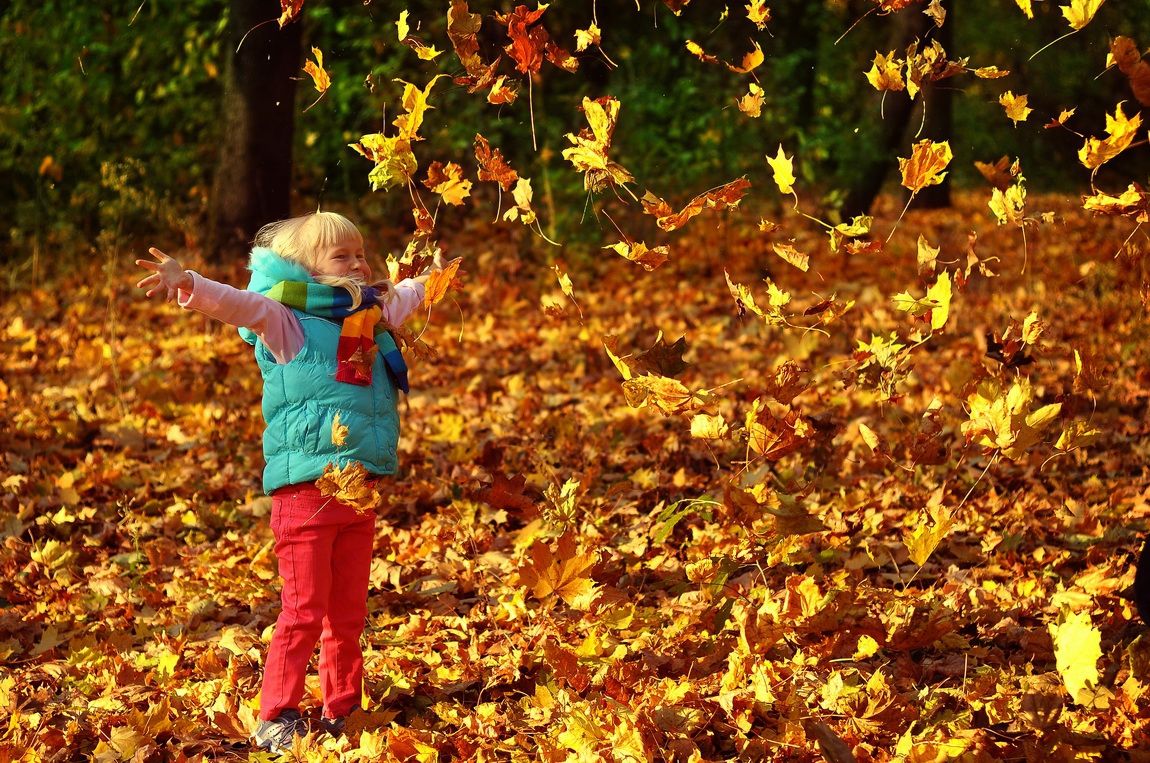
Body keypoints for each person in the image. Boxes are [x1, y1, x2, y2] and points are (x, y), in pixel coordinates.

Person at [135, 211, 451, 753]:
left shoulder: (367, 311)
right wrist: (187, 283)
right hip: (305, 490)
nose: (356, 262)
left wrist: (436, 277)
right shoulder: (286, 317)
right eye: (340, 256)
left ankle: (342, 707)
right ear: (307, 269)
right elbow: (237, 302)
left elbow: (406, 295)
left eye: (359, 252)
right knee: (304, 610)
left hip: (358, 484)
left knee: (348, 612)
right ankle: (275, 713)